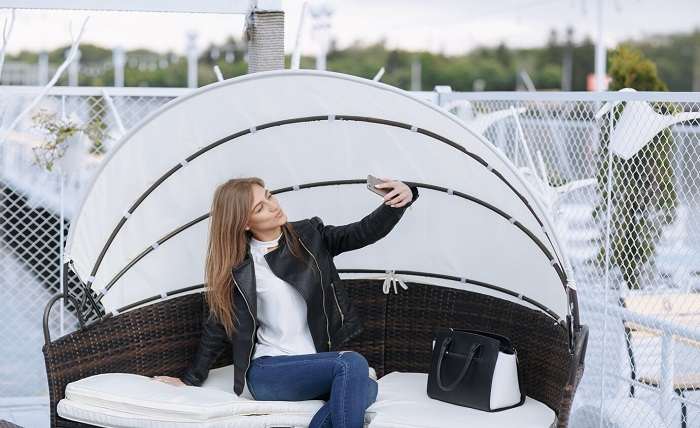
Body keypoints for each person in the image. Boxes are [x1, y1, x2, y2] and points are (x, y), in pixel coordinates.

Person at [154, 176, 419, 428]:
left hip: (315, 365)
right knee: (353, 365)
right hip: (269, 372)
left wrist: (402, 198)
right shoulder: (240, 269)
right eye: (260, 207)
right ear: (244, 222)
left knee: (365, 386)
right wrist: (190, 380)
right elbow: (217, 327)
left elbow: (361, 233)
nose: (274, 206)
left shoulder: (310, 235)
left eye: (269, 196)